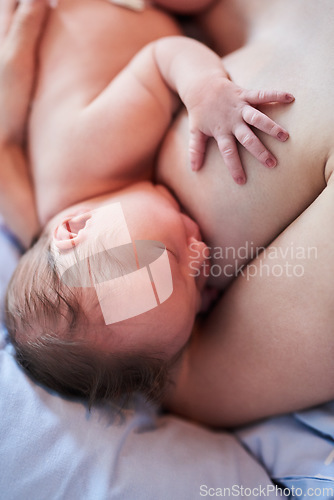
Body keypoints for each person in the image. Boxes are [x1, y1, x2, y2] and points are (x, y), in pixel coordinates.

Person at [1, 0, 294, 406]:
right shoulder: (48, 224)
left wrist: (205, 90)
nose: (201, 255)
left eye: (171, 259)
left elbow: (161, 58)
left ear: (76, 228)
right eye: (197, 290)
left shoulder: (99, 149)